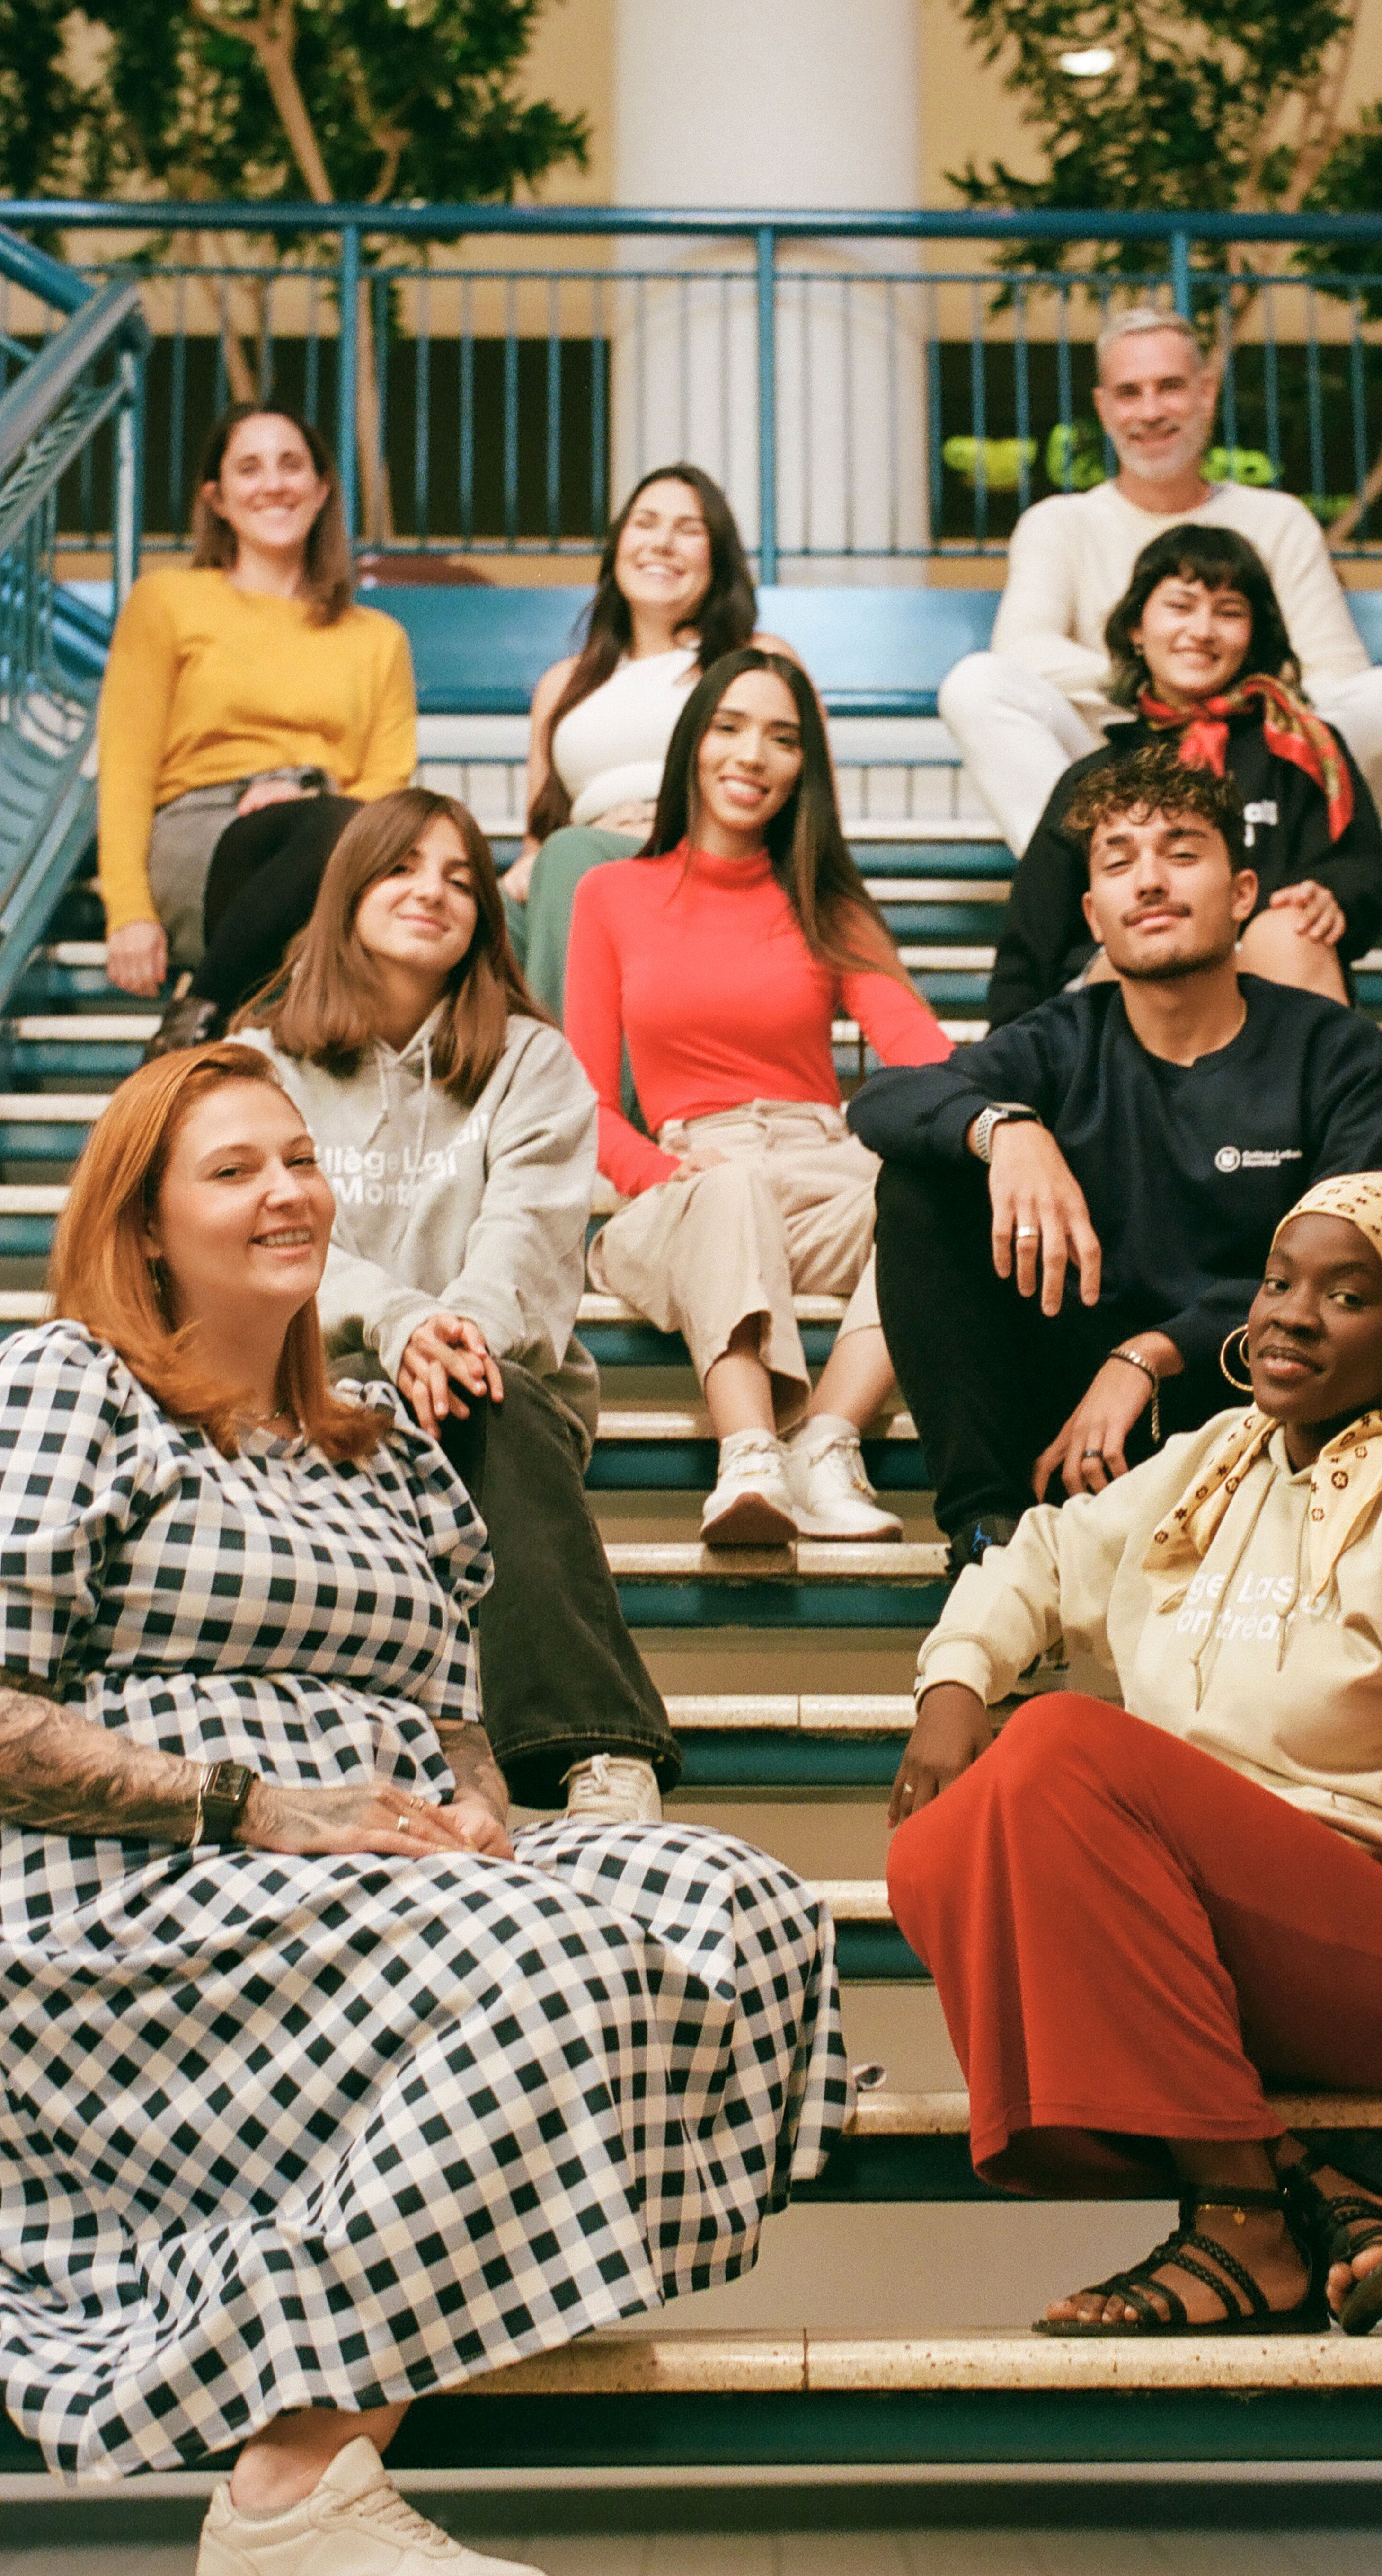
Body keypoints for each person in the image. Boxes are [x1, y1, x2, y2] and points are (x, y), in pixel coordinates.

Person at [0, 1042, 846, 2565]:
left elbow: (451, 1705)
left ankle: (371, 2315)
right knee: (548, 1957)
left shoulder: (380, 1440)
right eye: (235, 1168)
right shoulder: (72, 1385)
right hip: (135, 1873)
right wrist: (253, 1803)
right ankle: (293, 2495)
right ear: (142, 1225)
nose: (287, 1192)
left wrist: (475, 1813)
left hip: (372, 1862)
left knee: (745, 1899)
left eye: (299, 1159)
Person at [887, 1174, 1382, 2340]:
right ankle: (1300, 2175)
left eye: (1347, 1296)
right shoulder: (1220, 1458)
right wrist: (952, 1684)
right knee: (935, 1852)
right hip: (1233, 1933)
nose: (1291, 1314)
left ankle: (1246, 2225)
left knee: (1058, 1746)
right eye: (1277, 1281)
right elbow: (1045, 1550)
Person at [849, 741, 1382, 1571]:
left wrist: (1155, 1352)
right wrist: (1006, 1129)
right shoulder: (1061, 1039)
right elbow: (886, 1101)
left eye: (1182, 854)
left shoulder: (1334, 1051)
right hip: (1070, 1409)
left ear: (1242, 895)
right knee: (922, 1180)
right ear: (1094, 916)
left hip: (1249, 1389)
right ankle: (988, 1536)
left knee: (1341, 1280)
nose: (1150, 881)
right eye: (1119, 863)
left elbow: (1371, 1247)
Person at [235, 784, 680, 1825]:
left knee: (486, 1386)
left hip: (490, 1400)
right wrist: (397, 1323)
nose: (430, 891)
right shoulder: (262, 1063)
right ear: (349, 889)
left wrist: (453, 1333)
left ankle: (600, 1751)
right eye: (401, 867)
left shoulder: (531, 1060)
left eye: (460, 877)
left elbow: (529, 1233)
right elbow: (274, 1237)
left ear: (486, 914)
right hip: (313, 1395)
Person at [566, 647, 952, 1545]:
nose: (753, 755)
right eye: (731, 727)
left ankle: (826, 1439)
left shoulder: (829, 903)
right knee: (729, 1189)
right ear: (693, 744)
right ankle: (748, 1457)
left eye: (783, 739)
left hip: (822, 1169)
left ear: (803, 770)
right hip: (688, 1178)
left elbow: (921, 1053)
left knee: (942, 1196)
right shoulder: (613, 893)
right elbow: (585, 1103)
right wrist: (662, 1170)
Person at [937, 309, 1382, 855]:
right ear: (1104, 409)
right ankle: (1092, 893)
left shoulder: (1280, 519)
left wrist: (1236, 713)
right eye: (1130, 393)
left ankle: (1275, 882)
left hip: (1254, 772)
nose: (1150, 411)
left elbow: (1338, 675)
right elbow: (1023, 652)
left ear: (1206, 393)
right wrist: (1169, 691)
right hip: (1115, 765)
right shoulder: (1060, 522)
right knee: (976, 684)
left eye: (1169, 388)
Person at [96, 403, 417, 1050]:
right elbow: (127, 762)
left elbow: (386, 778)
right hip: (205, 833)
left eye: (292, 464)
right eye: (250, 468)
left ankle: (197, 1021)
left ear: (322, 488)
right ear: (216, 498)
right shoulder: (167, 601)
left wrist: (309, 805)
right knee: (340, 861)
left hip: (330, 837)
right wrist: (128, 911)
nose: (274, 483)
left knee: (355, 838)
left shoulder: (378, 637)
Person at [987, 523, 1382, 1023]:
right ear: (1136, 627)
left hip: (1268, 983)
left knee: (1288, 932)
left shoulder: (1301, 749)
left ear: (1255, 635)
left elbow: (1360, 866)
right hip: (1131, 987)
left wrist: (1332, 897)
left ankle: (1319, 1096)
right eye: (1180, 606)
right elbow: (1033, 937)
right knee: (1149, 935)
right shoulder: (1098, 775)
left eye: (1229, 612)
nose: (1202, 631)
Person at [501, 462, 759, 1021]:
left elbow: (802, 802)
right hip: (583, 867)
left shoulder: (752, 662)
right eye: (645, 523)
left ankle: (568, 1092)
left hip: (705, 865)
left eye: (689, 529)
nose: (662, 543)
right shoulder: (563, 684)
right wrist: (536, 861)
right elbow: (537, 842)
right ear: (619, 544)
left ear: (717, 558)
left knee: (572, 858)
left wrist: (660, 825)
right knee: (478, 909)